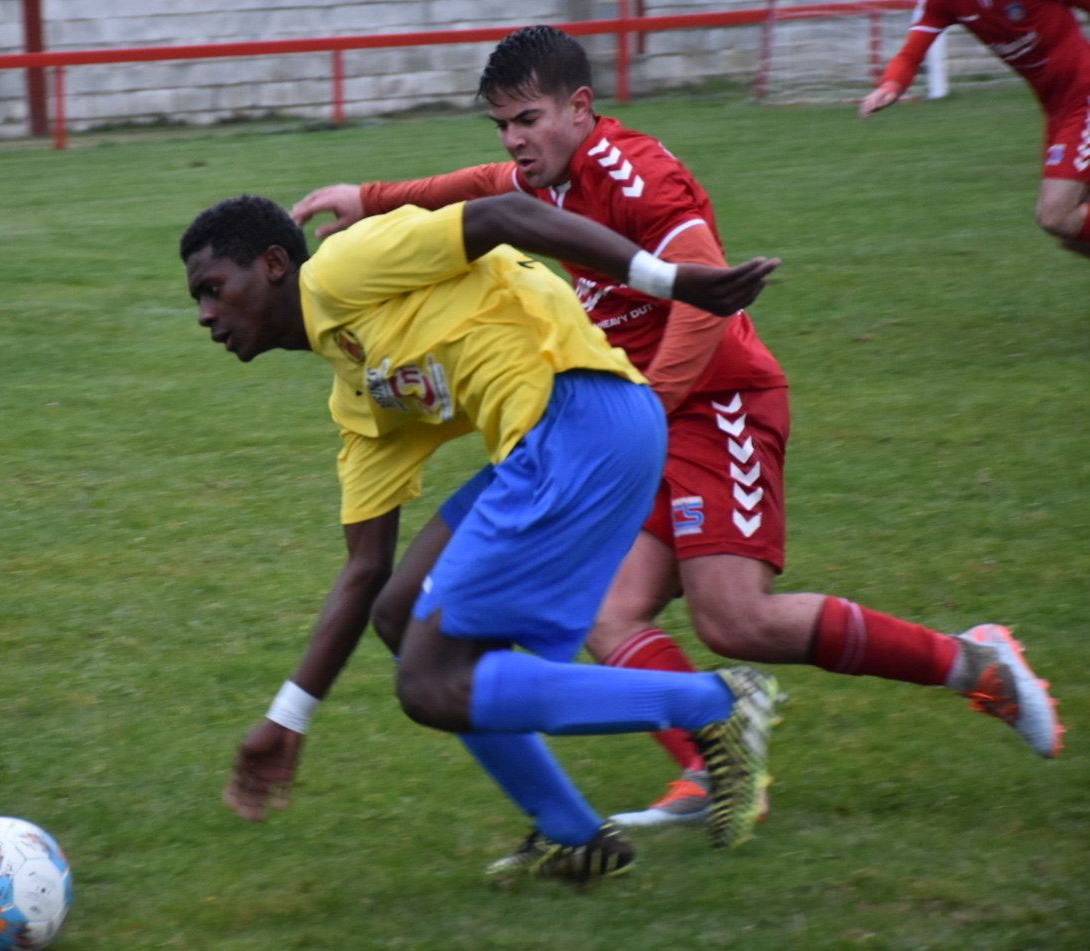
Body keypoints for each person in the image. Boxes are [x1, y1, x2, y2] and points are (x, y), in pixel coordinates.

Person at [292, 25, 1065, 833]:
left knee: (736, 621)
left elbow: (706, 292)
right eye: (504, 125)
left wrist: (645, 412)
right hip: (637, 419)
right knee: (610, 615)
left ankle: (976, 664)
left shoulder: (634, 173)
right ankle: (715, 769)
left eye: (528, 119)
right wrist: (369, 197)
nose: (515, 141)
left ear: (580, 107)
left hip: (717, 398)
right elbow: (474, 190)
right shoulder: (543, 176)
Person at [182, 190, 782, 883]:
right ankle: (575, 835)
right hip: (554, 446)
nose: (205, 315)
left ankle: (716, 705)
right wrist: (290, 716)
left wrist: (667, 280)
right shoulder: (358, 397)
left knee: (430, 682)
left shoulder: (344, 266)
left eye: (213, 290)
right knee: (400, 616)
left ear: (276, 264)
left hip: (585, 420)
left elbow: (499, 215)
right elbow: (364, 569)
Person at [860, 0, 1090, 258]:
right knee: (1073, 236)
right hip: (1057, 110)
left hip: (1084, 93)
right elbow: (910, 54)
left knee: (1056, 215)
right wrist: (890, 86)